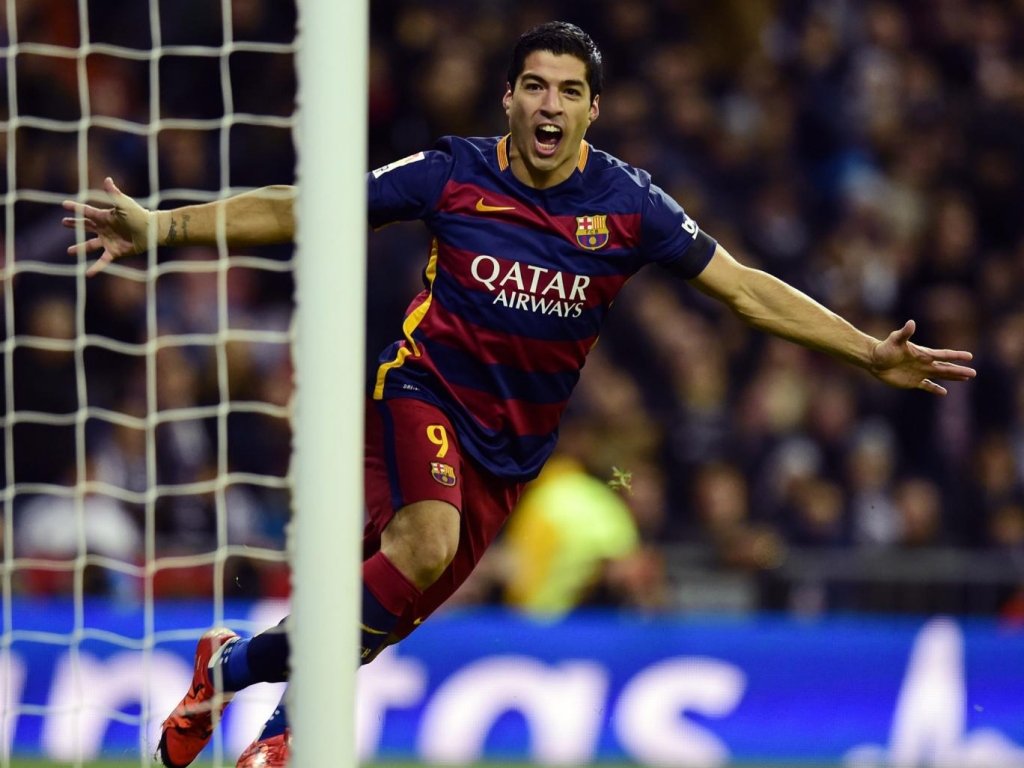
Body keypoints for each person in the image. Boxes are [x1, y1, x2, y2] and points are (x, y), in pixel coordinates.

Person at [61, 21, 976, 768]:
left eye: (569, 90)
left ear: (592, 109)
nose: (550, 104)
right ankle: (285, 740)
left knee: (379, 618)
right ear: (509, 96)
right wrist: (167, 225)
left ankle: (229, 668)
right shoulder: (455, 172)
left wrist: (865, 351)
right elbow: (309, 205)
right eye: (535, 85)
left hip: (510, 453)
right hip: (416, 395)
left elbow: (741, 287)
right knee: (426, 543)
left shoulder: (630, 206)